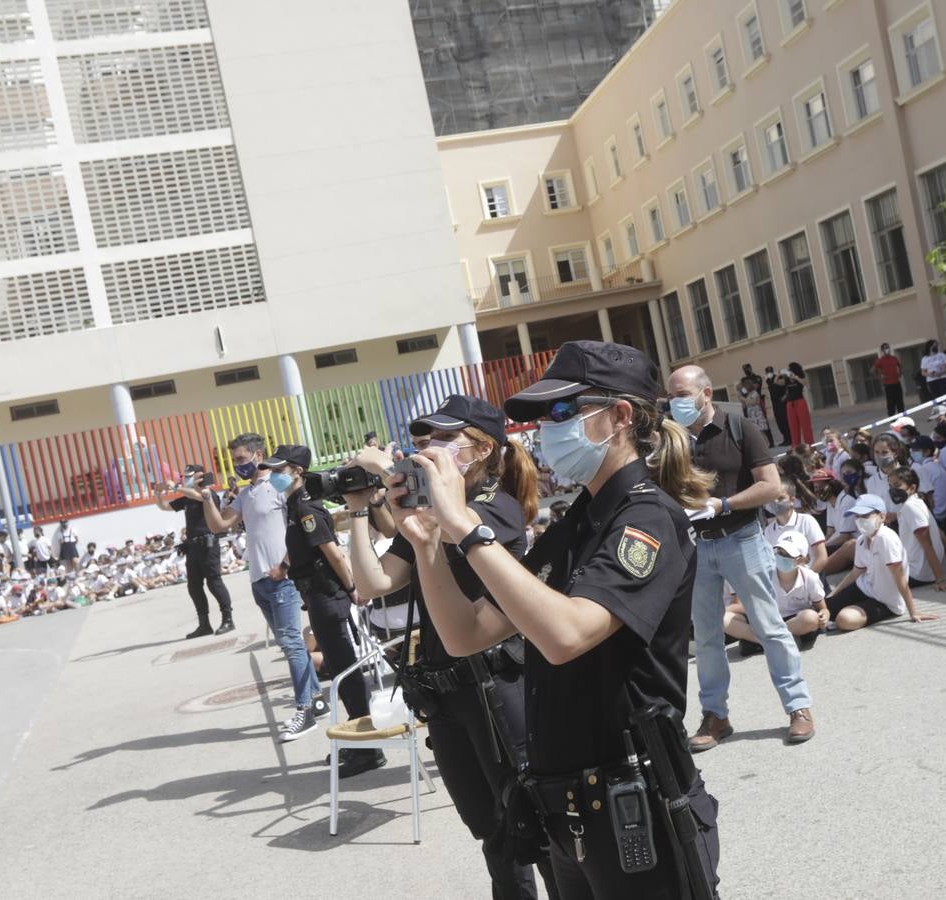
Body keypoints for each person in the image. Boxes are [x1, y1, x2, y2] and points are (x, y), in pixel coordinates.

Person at [390, 340, 721, 897]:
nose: (547, 427)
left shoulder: (647, 518)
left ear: (619, 417)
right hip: (566, 806)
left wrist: (465, 527)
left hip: (630, 801)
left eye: (563, 411)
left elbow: (568, 635)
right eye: (544, 416)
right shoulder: (577, 523)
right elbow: (467, 633)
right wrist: (425, 546)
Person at [348, 396, 557, 899]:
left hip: (496, 684)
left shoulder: (495, 508)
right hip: (447, 693)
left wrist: (395, 484)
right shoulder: (428, 516)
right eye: (420, 444)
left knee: (533, 821)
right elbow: (372, 582)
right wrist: (359, 508)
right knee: (490, 830)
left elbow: (448, 534)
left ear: (482, 449)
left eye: (442, 441)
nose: (427, 452)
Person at [667, 364, 814, 750]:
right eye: (671, 396)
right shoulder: (672, 439)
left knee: (770, 626)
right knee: (709, 637)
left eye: (682, 394)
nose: (675, 403)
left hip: (742, 539)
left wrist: (723, 504)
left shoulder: (739, 428)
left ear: (706, 393)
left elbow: (770, 486)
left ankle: (798, 707)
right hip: (697, 546)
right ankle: (716, 716)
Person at [262, 444, 384, 778]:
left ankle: (369, 748)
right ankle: (363, 740)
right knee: (342, 670)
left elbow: (332, 553)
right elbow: (301, 546)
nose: (273, 476)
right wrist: (286, 566)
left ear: (298, 472)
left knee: (345, 672)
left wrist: (353, 589)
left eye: (279, 470)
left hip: (327, 596)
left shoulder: (306, 508)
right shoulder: (293, 506)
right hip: (316, 594)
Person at [198, 433, 323, 742]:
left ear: (257, 455)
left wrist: (285, 565)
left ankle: (304, 711)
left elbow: (299, 530)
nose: (238, 465)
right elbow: (219, 526)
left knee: (293, 644)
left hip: (282, 580)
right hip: (259, 581)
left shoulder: (279, 487)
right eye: (236, 460)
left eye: (242, 459)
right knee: (289, 643)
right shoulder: (246, 493)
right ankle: (317, 699)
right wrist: (206, 499)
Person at [822, 495, 939, 632]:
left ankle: (847, 614)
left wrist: (913, 612)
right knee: (823, 609)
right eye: (857, 516)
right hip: (864, 588)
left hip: (886, 602)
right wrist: (833, 594)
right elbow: (855, 573)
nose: (860, 520)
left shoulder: (886, 539)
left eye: (865, 515)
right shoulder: (861, 539)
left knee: (844, 620)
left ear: (882, 517)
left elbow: (900, 577)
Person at [157, 464, 235, 638]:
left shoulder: (207, 493)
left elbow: (200, 496)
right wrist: (158, 492)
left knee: (214, 582)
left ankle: (228, 619)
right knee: (194, 586)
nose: (186, 480)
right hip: (192, 546)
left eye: (189, 476)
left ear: (199, 476)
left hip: (207, 544)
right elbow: (164, 507)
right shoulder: (186, 497)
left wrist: (175, 486)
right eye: (184, 477)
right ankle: (204, 624)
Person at [725, 530, 827, 648]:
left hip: (796, 620)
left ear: (801, 560)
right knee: (725, 619)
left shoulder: (810, 578)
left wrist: (824, 616)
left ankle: (769, 639)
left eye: (787, 554)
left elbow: (823, 609)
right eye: (779, 552)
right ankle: (768, 640)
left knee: (810, 618)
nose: (780, 556)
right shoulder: (765, 573)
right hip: (770, 620)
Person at [888, 469, 946, 591]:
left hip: (916, 573)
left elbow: (927, 544)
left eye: (897, 485)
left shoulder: (910, 507)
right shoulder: (916, 502)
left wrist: (941, 579)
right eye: (891, 486)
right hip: (920, 570)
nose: (893, 490)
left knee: (867, 579)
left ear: (912, 488)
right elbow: (940, 534)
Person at [762, 477, 828, 573]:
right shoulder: (769, 531)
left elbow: (821, 557)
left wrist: (806, 580)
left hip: (811, 578)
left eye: (780, 498)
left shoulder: (806, 521)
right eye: (771, 498)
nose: (775, 502)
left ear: (792, 500)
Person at [783, 363, 814, 447]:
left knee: (805, 425)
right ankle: (795, 446)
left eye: (790, 369)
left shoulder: (800, 377)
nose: (789, 370)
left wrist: (796, 377)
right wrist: (780, 374)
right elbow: (777, 383)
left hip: (800, 402)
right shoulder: (787, 378)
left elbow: (805, 383)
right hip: (790, 403)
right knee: (793, 426)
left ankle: (810, 445)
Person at [872, 343, 905, 415]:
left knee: (900, 402)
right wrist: (880, 376)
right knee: (891, 404)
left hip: (897, 383)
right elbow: (873, 370)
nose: (887, 349)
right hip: (888, 385)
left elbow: (900, 365)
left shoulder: (894, 358)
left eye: (888, 348)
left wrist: (900, 373)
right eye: (885, 348)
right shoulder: (880, 360)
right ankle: (892, 420)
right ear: (882, 350)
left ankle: (903, 418)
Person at [764, 365, 790, 446]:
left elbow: (787, 388)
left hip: (781, 402)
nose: (769, 374)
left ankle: (789, 439)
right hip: (774, 403)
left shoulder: (779, 377)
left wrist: (785, 397)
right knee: (779, 422)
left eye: (770, 372)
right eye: (767, 372)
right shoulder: (768, 380)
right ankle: (785, 439)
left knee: (784, 421)